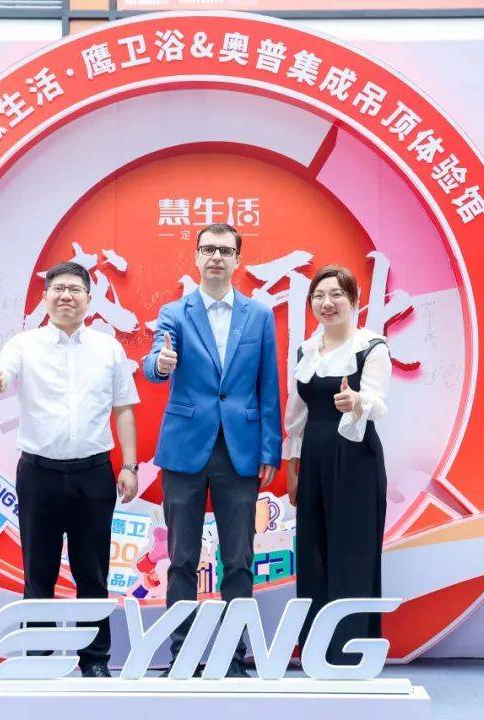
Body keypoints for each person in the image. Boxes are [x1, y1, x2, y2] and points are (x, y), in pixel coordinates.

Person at [0, 261, 140, 678]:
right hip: (40, 475)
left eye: (75, 289)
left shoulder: (108, 348)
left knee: (93, 573)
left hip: (94, 474)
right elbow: (0, 377)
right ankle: (39, 658)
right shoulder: (23, 345)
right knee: (39, 572)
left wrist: (129, 465)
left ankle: (96, 660)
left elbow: (124, 409)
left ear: (89, 298)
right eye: (58, 289)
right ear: (46, 297)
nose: (66, 296)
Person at [143, 223, 282, 678]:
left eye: (225, 250)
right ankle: (181, 655)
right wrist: (161, 364)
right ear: (197, 257)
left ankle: (234, 656)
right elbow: (155, 361)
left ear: (238, 259)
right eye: (208, 249)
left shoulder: (259, 315)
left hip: (240, 450)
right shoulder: (174, 312)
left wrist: (270, 450)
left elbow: (268, 386)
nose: (216, 257)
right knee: (181, 558)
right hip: (185, 448)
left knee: (238, 560)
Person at [283, 265, 391, 667]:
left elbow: (378, 402)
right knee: (313, 549)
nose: (327, 303)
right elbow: (296, 414)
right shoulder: (306, 351)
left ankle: (350, 650)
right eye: (319, 296)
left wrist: (357, 401)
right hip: (313, 454)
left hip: (355, 455)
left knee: (352, 549)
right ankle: (315, 649)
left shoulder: (371, 347)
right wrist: (292, 464)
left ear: (354, 301)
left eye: (336, 295)